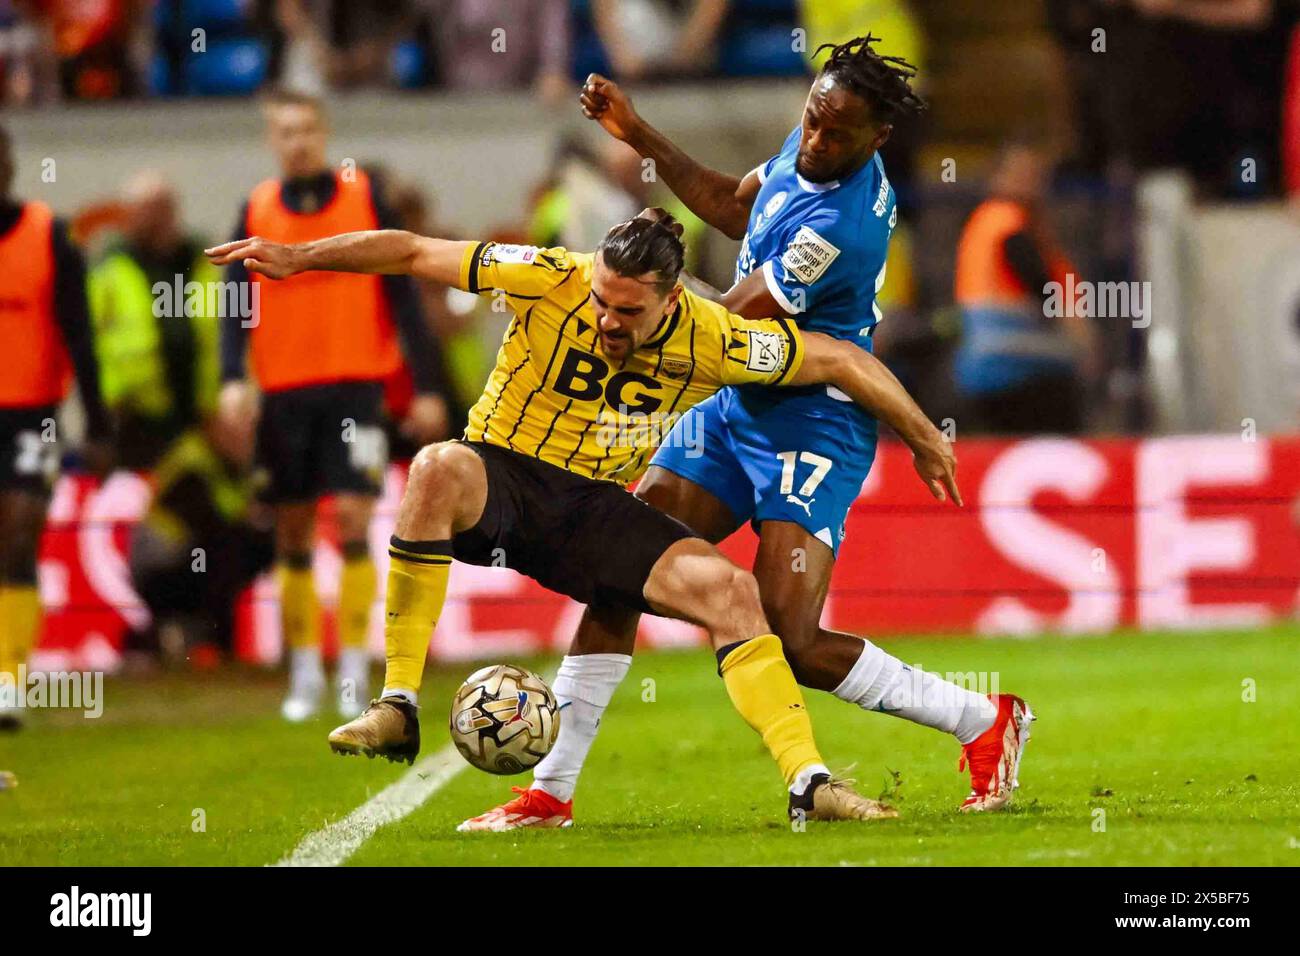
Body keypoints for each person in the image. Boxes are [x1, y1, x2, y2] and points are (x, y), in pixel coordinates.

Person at [207, 207, 959, 822]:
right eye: (601, 300)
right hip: (500, 475)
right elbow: (409, 251)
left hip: (594, 508)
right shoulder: (545, 275)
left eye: (628, 310)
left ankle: (809, 783)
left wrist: (924, 435)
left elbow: (839, 359)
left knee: (733, 595)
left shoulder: (715, 336)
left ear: (673, 299)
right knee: (436, 467)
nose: (605, 317)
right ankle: (398, 704)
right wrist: (301, 256)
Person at [463, 35, 1032, 832]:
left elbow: (730, 321)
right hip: (734, 406)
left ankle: (981, 720)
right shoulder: (808, 152)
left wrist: (644, 290)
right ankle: (549, 792)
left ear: (878, 140)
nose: (817, 140)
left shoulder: (842, 224)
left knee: (791, 638)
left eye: (837, 134)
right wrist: (639, 134)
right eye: (812, 120)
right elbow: (735, 203)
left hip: (813, 417)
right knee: (618, 568)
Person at [218, 89, 451, 722]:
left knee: (352, 517)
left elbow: (403, 296)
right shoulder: (258, 208)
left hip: (356, 388)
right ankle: (302, 671)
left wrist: (426, 385)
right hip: (285, 392)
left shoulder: (362, 198)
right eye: (285, 132)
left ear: (323, 133)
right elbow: (233, 297)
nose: (297, 142)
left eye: (306, 130)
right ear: (274, 139)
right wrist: (231, 374)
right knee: (293, 529)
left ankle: (352, 669)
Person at [0, 122, 112, 729]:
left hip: (30, 417)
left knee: (18, 535)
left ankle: (8, 682)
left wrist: (95, 422)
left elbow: (80, 334)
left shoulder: (50, 237)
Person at [953, 141, 1096, 434]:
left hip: (994, 365)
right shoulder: (1006, 223)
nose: (1030, 183)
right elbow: (1041, 287)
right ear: (997, 177)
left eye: (1035, 174)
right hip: (1018, 364)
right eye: (1021, 174)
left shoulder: (992, 222)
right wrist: (1078, 337)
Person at [89, 171, 221, 470]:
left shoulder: (200, 261)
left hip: (198, 407)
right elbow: (88, 338)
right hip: (132, 412)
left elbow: (226, 326)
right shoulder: (110, 266)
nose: (153, 218)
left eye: (160, 208)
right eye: (143, 209)